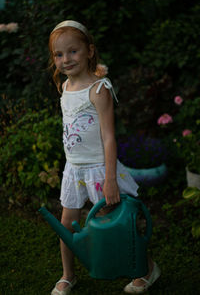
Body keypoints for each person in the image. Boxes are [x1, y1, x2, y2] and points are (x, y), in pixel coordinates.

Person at [48, 20, 160, 295]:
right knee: (66, 224)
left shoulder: (99, 89)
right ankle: (68, 275)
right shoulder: (64, 88)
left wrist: (110, 179)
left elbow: (109, 138)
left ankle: (146, 269)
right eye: (59, 54)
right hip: (74, 169)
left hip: (100, 170)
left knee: (117, 225)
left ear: (89, 51)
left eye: (73, 51)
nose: (66, 59)